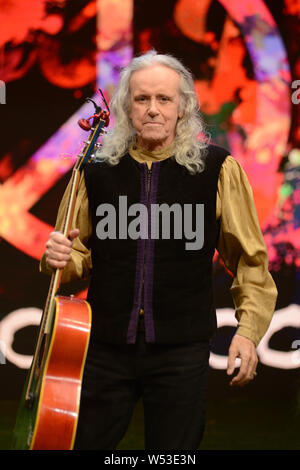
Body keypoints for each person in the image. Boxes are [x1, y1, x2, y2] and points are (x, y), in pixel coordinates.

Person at [40, 50, 278, 450]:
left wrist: (249, 332)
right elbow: (74, 258)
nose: (153, 110)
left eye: (164, 99)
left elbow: (250, 262)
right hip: (102, 348)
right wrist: (56, 259)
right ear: (126, 107)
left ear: (183, 107)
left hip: (182, 351)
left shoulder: (217, 169)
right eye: (142, 99)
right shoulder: (92, 171)